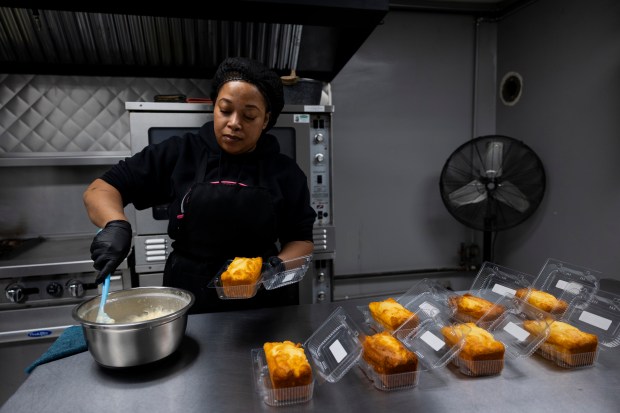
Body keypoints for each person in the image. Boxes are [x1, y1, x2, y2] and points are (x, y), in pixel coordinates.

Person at [83, 57, 316, 313]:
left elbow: (301, 241)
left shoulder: (285, 171)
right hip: (189, 298)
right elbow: (102, 188)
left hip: (263, 304)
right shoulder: (180, 153)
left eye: (249, 116)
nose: (234, 123)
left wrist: (275, 268)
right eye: (225, 110)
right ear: (214, 107)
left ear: (266, 120)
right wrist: (116, 224)